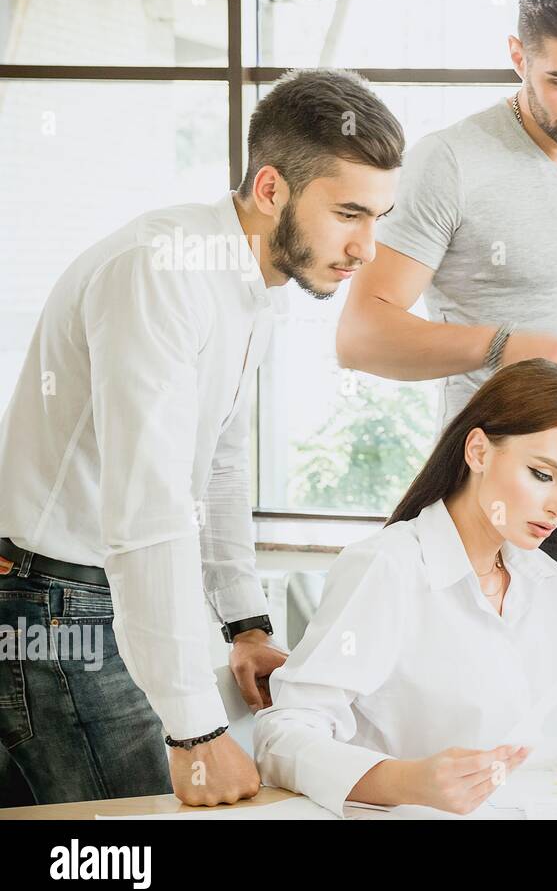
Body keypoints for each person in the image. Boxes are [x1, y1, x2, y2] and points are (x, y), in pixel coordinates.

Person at [0, 68, 404, 807]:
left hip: (98, 588)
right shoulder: (161, 271)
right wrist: (195, 732)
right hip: (56, 600)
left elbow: (219, 460)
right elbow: (148, 511)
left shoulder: (253, 285)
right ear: (273, 189)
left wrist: (243, 622)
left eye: (379, 217)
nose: (368, 247)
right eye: (350, 213)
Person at [337, 0, 557, 651]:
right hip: (490, 498)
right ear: (518, 56)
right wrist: (504, 346)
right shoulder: (452, 161)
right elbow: (362, 334)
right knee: (491, 730)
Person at [254, 360, 557, 817]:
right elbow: (281, 735)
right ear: (479, 451)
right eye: (542, 474)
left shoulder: (551, 588)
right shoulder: (388, 567)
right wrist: (404, 780)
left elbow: (522, 739)